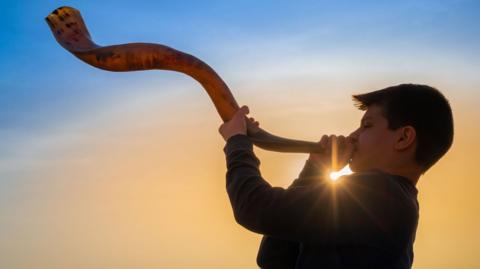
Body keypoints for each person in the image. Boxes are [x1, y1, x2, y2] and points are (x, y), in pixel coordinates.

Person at [218, 84, 454, 269]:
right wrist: (315, 172)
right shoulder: (388, 202)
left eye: (367, 126)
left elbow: (254, 207)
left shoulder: (382, 195)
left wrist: (237, 143)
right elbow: (275, 260)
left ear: (403, 138)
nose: (352, 136)